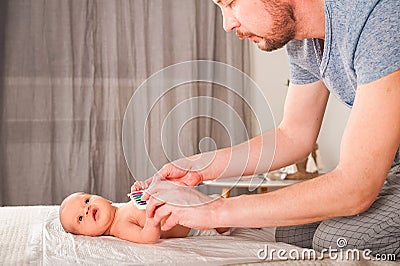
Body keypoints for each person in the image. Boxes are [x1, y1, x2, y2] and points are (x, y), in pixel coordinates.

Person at [133, 0, 400, 258]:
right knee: (293, 233)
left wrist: (215, 211)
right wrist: (197, 166)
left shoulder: (380, 16)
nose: (227, 24)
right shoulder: (303, 41)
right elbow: (293, 136)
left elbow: (355, 188)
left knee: (336, 240)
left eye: (231, 3)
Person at [59, 192, 229, 244]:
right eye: (80, 218)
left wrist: (146, 191)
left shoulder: (124, 208)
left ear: (106, 199)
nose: (86, 209)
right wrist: (152, 220)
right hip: (193, 225)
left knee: (215, 202)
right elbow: (147, 238)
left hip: (184, 204)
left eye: (87, 201)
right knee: (223, 220)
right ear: (87, 236)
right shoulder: (120, 227)